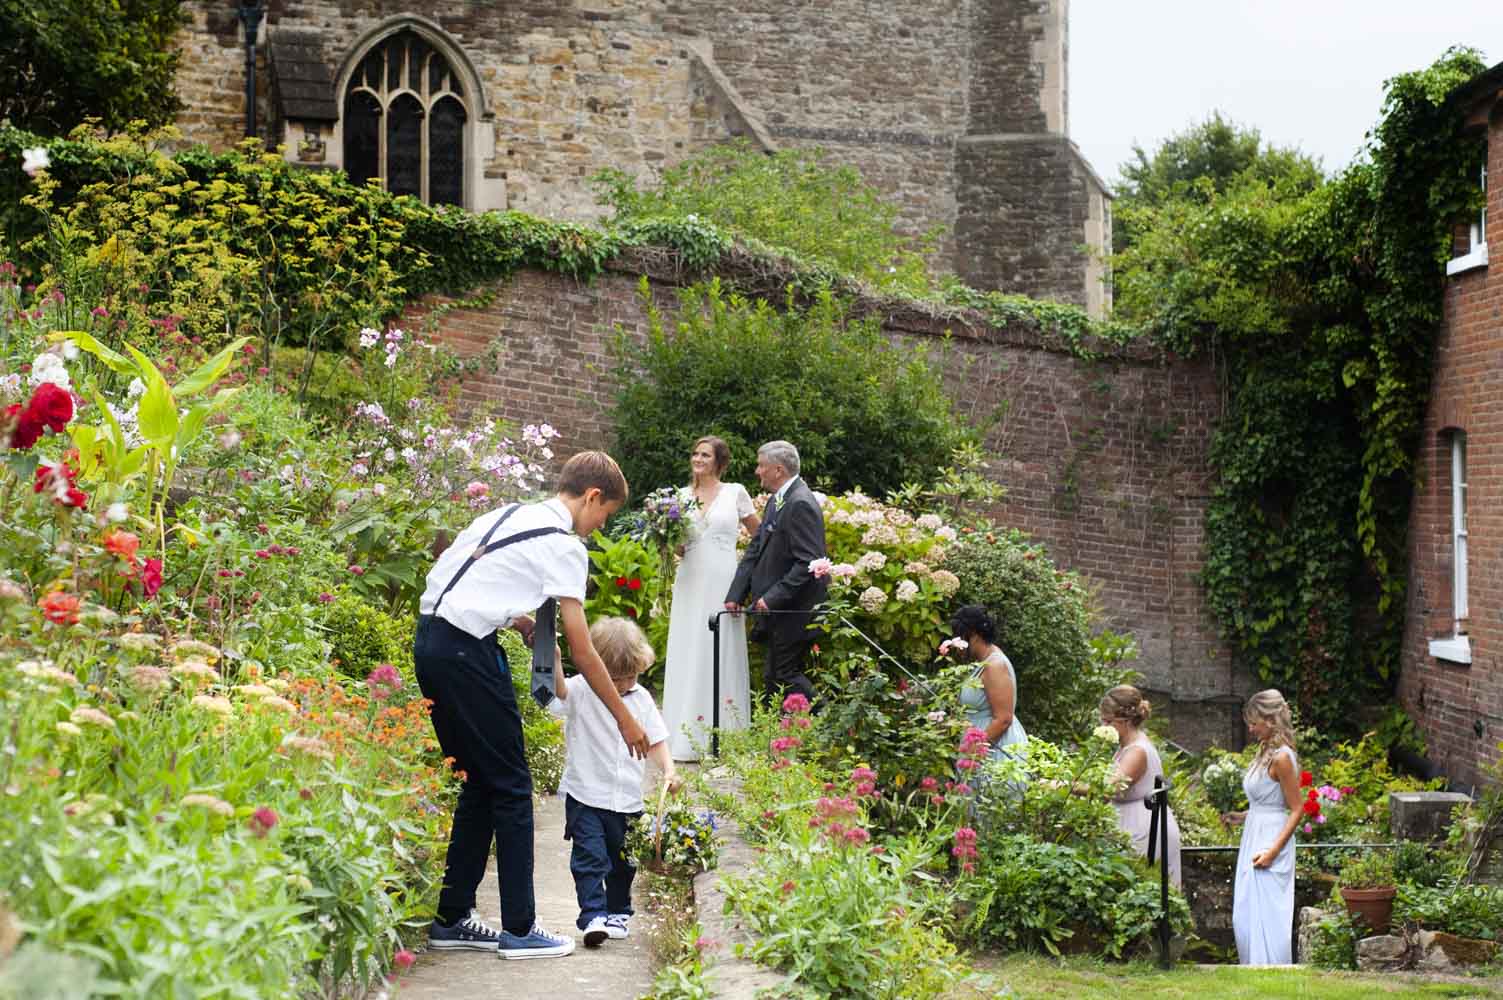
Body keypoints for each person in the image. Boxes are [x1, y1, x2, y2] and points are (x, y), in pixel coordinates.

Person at [413, 451, 649, 960]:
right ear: (591, 497)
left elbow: (471, 584)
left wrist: (519, 621)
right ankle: (521, 929)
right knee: (514, 786)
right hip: (467, 654)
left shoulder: (508, 514)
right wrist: (626, 718)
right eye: (603, 515)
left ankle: (452, 917)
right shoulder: (563, 543)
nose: (597, 528)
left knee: (483, 781)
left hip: (431, 643)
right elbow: (583, 649)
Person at [551, 617, 678, 947]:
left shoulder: (642, 699)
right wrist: (552, 661)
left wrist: (668, 770)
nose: (622, 685)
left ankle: (619, 910)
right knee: (590, 858)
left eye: (630, 677)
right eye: (615, 678)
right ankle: (592, 915)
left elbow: (657, 739)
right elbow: (558, 695)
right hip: (585, 796)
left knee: (623, 861)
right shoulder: (581, 689)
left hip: (627, 801)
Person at [661, 436, 760, 760]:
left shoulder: (735, 493)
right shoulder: (680, 496)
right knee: (689, 645)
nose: (698, 459)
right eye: (695, 453)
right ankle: (684, 734)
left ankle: (724, 736)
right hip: (690, 578)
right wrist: (666, 536)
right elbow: (676, 546)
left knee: (719, 647)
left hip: (722, 579)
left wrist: (751, 574)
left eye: (705, 454)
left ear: (719, 461)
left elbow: (759, 536)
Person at [724, 440, 828, 703]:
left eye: (761, 466)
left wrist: (771, 598)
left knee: (784, 674)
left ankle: (829, 723)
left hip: (794, 610)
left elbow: (809, 562)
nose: (757, 471)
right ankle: (783, 738)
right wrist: (736, 593)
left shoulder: (800, 503)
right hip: (779, 613)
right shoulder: (777, 500)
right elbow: (756, 549)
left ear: (778, 469)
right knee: (775, 677)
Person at [1224, 688, 1301, 965]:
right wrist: (1242, 816)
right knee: (1245, 914)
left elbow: (1296, 809)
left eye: (1254, 722)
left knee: (1266, 913)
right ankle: (1252, 970)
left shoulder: (1282, 757)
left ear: (1270, 721)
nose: (1250, 728)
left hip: (1271, 840)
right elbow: (1267, 802)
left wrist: (1272, 851)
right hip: (1254, 831)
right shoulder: (1263, 750)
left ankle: (1271, 971)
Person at [1100, 685, 1181, 887]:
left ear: (1125, 721)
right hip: (1132, 822)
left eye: (1108, 721)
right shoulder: (1125, 746)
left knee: (1144, 888)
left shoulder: (1137, 751)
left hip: (1144, 827)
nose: (1104, 725)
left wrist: (1065, 786)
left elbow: (1107, 789)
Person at [950, 604, 1027, 756]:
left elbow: (1004, 719)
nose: (958, 645)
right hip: (978, 750)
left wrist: (974, 750)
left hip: (996, 752)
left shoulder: (994, 665)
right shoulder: (981, 661)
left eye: (961, 637)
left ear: (975, 635)